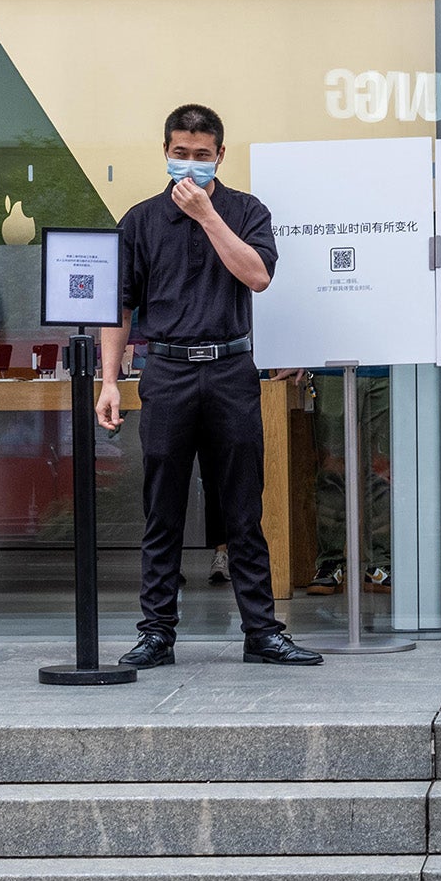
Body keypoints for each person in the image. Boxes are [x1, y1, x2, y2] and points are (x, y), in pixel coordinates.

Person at [94, 104, 318, 668]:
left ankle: (262, 631)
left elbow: (258, 276)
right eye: (178, 154)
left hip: (230, 369)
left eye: (200, 156)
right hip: (166, 371)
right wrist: (110, 380)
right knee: (162, 506)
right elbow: (119, 307)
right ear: (165, 152)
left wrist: (207, 215)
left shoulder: (245, 210)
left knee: (243, 506)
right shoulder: (140, 221)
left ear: (220, 154)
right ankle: (156, 633)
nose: (188, 165)